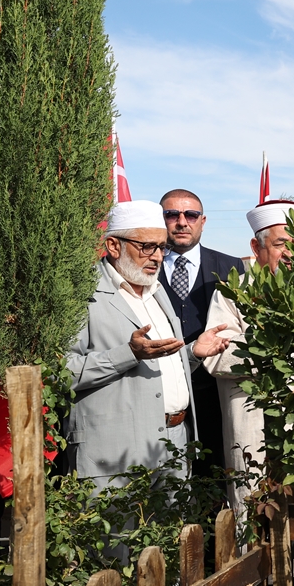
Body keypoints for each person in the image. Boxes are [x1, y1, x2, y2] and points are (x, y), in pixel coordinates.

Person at [64, 200, 230, 493]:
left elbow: (159, 365)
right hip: (114, 452)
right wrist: (127, 354)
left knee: (170, 537)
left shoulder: (155, 290)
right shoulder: (81, 293)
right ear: (114, 246)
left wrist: (191, 353)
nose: (157, 256)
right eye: (147, 247)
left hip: (175, 443)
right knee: (119, 538)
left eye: (161, 247)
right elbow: (61, 372)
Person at [201, 199, 294, 517]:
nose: (289, 253)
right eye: (280, 244)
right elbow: (216, 357)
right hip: (251, 427)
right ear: (256, 247)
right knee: (251, 518)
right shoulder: (232, 292)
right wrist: (272, 354)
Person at [157, 189, 244, 479]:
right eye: (172, 215)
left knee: (216, 477)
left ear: (202, 221)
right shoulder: (146, 267)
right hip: (161, 395)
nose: (182, 222)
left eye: (190, 215)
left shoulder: (232, 267)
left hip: (214, 395)